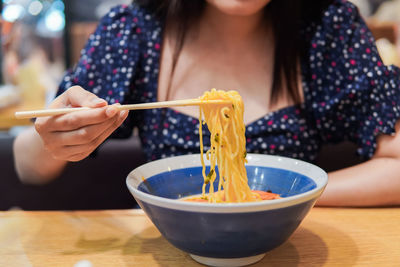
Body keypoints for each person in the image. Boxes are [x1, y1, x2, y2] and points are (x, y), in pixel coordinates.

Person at [13, 0, 400, 207]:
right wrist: (54, 140)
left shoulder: (327, 25)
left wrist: (283, 199)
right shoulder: (132, 30)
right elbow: (26, 166)